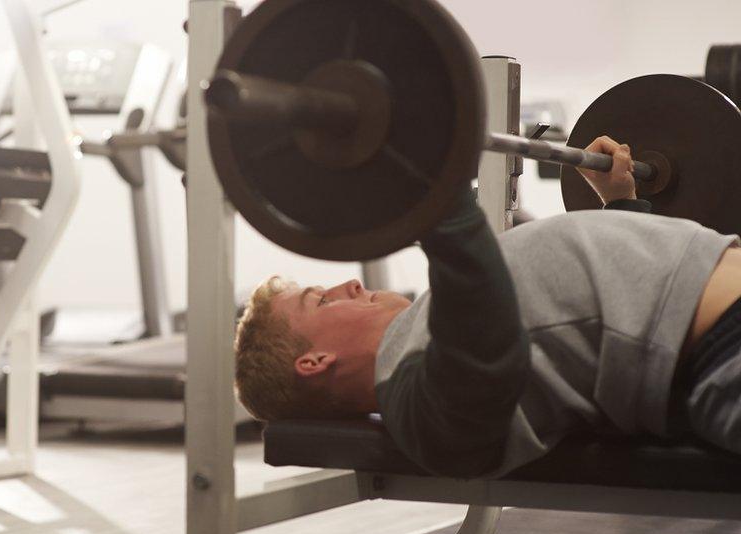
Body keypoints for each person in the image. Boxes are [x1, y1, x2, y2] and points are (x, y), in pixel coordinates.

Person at [234, 136, 741, 478]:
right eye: (320, 300)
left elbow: (594, 308)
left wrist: (623, 205)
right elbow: (486, 342)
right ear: (314, 362)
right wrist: (431, 195)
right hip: (723, 351)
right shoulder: (421, 408)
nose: (347, 283)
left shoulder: (433, 322)